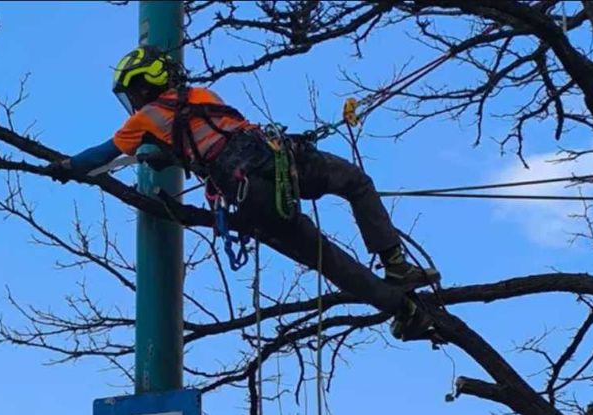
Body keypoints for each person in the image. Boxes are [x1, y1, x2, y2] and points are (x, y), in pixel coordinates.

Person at [45, 46, 437, 341]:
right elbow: (209, 140)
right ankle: (395, 263)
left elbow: (103, 155)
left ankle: (402, 308)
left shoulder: (144, 119)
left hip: (250, 192)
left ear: (145, 85)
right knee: (356, 183)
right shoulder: (203, 96)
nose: (132, 102)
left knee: (325, 258)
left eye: (133, 92)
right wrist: (168, 157)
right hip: (280, 158)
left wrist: (66, 167)